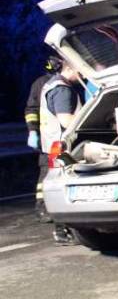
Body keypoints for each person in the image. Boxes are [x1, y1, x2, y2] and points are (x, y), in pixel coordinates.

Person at [39, 57, 84, 245]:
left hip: (53, 145)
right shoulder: (62, 89)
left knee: (60, 186)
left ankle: (64, 230)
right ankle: (63, 231)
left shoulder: (51, 85)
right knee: (65, 186)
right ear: (70, 67)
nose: (82, 74)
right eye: (80, 70)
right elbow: (66, 120)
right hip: (63, 147)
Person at [25, 56, 61, 222]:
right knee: (46, 170)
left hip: (59, 133)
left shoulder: (65, 83)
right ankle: (42, 207)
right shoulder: (41, 84)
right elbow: (31, 110)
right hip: (47, 135)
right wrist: (33, 132)